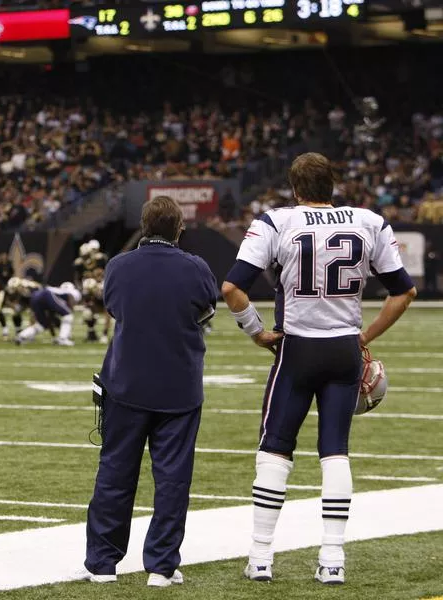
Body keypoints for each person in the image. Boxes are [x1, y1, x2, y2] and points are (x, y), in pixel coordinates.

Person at [221, 152, 417, 585]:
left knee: (275, 451)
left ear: (295, 189)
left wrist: (255, 332)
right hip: (344, 349)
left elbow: (233, 288)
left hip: (296, 350)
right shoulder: (369, 221)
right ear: (334, 185)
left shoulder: (277, 222)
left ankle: (260, 556)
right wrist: (365, 337)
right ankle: (332, 558)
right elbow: (404, 292)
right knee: (335, 452)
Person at [82, 196, 216, 588]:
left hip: (126, 382)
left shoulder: (119, 265)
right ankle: (160, 565)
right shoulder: (195, 267)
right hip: (179, 384)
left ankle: (103, 564)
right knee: (173, 478)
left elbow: (114, 308)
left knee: (114, 473)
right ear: (179, 229)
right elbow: (205, 312)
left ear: (144, 226)